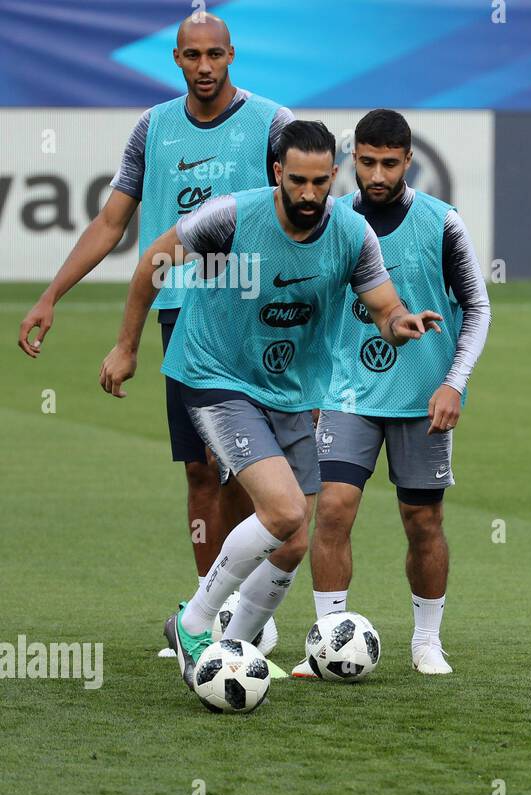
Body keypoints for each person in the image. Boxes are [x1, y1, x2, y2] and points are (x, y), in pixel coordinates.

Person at [98, 120, 441, 686]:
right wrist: (126, 346)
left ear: (334, 175)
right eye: (298, 181)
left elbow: (384, 306)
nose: (309, 195)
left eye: (320, 183)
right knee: (282, 513)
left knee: (294, 540)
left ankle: (231, 646)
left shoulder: (353, 234)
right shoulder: (231, 216)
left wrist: (400, 324)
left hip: (289, 389)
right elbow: (151, 265)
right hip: (215, 375)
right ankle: (195, 622)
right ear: (278, 173)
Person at [17, 14, 292, 650]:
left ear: (231, 55)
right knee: (201, 471)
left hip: (255, 313)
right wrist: (52, 295)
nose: (204, 66)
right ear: (175, 58)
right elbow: (112, 222)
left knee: (248, 470)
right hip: (182, 318)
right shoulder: (155, 127)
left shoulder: (271, 124)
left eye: (214, 54)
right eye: (192, 55)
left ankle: (249, 607)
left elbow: (308, 207)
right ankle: (209, 614)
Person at [295, 109, 490, 678]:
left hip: (421, 399)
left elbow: (477, 309)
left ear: (409, 162)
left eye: (388, 163)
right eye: (366, 162)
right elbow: (308, 309)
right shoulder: (326, 221)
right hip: (344, 393)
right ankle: (329, 637)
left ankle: (427, 640)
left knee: (421, 522)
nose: (376, 175)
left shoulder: (441, 222)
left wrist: (454, 382)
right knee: (331, 510)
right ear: (350, 159)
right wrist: (306, 383)